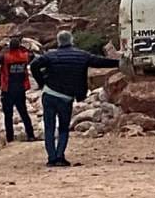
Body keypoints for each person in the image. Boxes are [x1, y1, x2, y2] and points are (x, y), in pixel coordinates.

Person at [29, 30, 119, 167]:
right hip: (66, 98)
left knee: (49, 127)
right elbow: (100, 62)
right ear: (72, 40)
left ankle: (51, 158)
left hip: (49, 95)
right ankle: (60, 157)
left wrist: (42, 82)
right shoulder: (82, 55)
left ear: (58, 41)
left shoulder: (50, 55)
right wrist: (119, 63)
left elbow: (34, 65)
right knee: (64, 128)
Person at [0, 36, 36, 143]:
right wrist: (23, 47)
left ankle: (10, 138)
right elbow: (32, 55)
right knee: (24, 113)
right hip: (20, 88)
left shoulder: (6, 57)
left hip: (8, 89)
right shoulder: (25, 56)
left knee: (8, 115)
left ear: (10, 47)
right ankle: (31, 135)